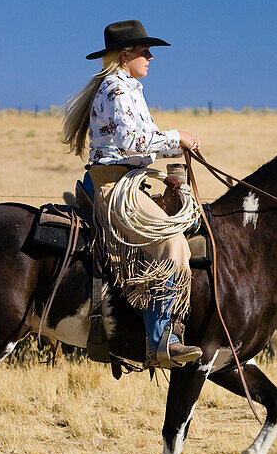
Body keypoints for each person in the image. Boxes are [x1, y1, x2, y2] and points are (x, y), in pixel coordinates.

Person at [61, 20, 202, 368]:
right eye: (144, 51)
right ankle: (161, 342)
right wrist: (177, 137)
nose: (151, 57)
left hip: (127, 179)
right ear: (126, 55)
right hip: (113, 185)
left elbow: (143, 141)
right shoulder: (117, 90)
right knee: (170, 242)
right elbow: (131, 142)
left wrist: (177, 146)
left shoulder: (128, 88)